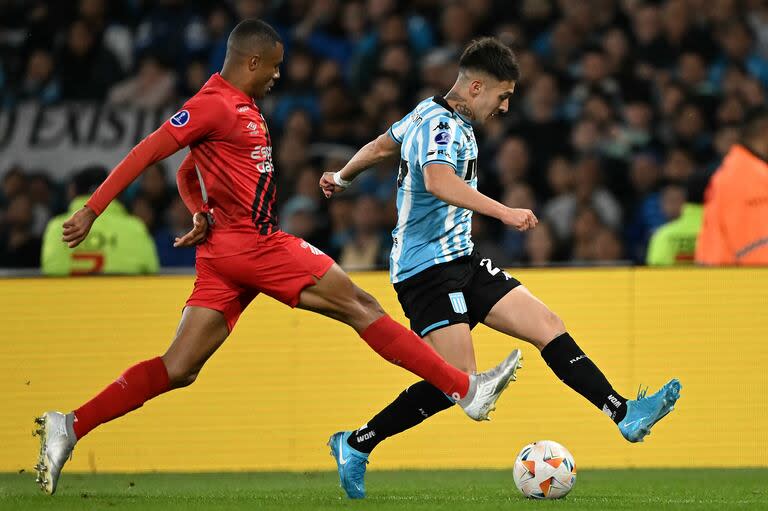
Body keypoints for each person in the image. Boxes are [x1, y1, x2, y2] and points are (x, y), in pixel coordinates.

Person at [33, 20, 522, 496]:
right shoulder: (214, 105)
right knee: (361, 306)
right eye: (273, 66)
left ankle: (71, 425)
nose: (278, 76)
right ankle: (466, 390)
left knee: (179, 366)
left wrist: (200, 211)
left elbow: (187, 171)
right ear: (252, 61)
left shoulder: (236, 107)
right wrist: (92, 209)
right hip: (256, 244)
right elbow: (147, 151)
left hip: (224, 253)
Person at [320, 37, 682, 499]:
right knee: (460, 382)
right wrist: (505, 212)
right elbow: (438, 179)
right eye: (503, 96)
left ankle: (623, 412)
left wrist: (342, 175)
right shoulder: (440, 127)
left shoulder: (424, 115)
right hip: (425, 271)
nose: (506, 107)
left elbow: (379, 147)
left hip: (463, 259)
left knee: (547, 325)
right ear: (475, 87)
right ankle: (356, 443)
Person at [41, 166, 159, 275]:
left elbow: (48, 270)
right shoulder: (135, 227)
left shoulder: (57, 226)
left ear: (73, 192)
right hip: (120, 297)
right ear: (115, 192)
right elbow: (152, 270)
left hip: (68, 297)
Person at [696, 108, 768, 265]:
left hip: (722, 278)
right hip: (742, 282)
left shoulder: (737, 171)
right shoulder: (750, 178)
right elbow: (758, 250)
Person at [646, 172, 710, 266]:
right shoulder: (717, 232)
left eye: (676, 200)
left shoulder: (663, 235)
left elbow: (654, 274)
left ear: (685, 200)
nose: (672, 206)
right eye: (669, 200)